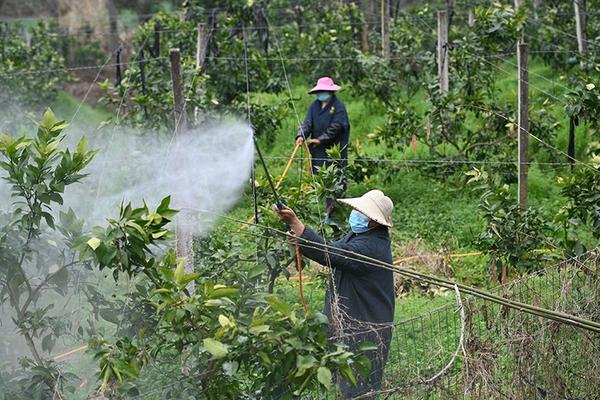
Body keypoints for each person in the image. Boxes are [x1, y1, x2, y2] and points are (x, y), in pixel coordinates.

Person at [276, 190, 395, 399]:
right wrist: (303, 241)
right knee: (345, 383)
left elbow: (334, 255)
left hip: (366, 329)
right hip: (351, 324)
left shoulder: (372, 246)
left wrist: (298, 226)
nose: (355, 213)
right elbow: (335, 250)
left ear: (375, 222)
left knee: (360, 388)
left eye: (361, 211)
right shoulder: (360, 234)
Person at [296, 77, 350, 221]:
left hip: (334, 151)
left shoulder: (338, 107)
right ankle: (328, 212)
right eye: (319, 91)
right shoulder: (314, 106)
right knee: (323, 181)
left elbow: (337, 126)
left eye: (324, 91)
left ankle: (336, 214)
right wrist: (301, 135)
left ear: (330, 92)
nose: (321, 94)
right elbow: (307, 123)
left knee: (336, 181)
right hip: (318, 151)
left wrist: (320, 139)